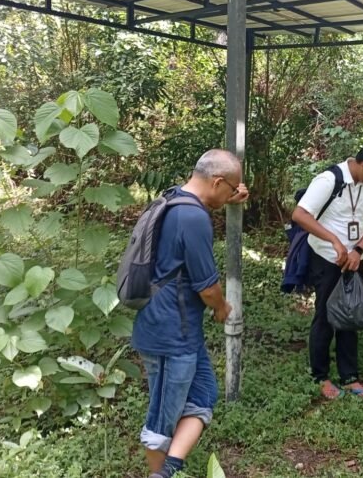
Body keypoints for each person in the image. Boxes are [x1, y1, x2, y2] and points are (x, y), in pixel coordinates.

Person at [131, 149, 249, 478]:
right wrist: (222, 308)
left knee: (203, 395)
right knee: (162, 419)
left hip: (178, 329)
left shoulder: (174, 198)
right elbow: (207, 287)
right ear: (217, 182)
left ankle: (167, 470)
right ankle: (160, 475)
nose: (231, 195)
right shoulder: (194, 218)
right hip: (169, 333)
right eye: (230, 189)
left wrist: (228, 200)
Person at [292, 138, 363, 400]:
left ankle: (350, 377)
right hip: (326, 258)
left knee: (351, 314)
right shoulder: (329, 180)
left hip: (353, 260)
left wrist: (358, 250)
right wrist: (334, 241)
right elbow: (300, 214)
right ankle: (320, 376)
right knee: (326, 315)